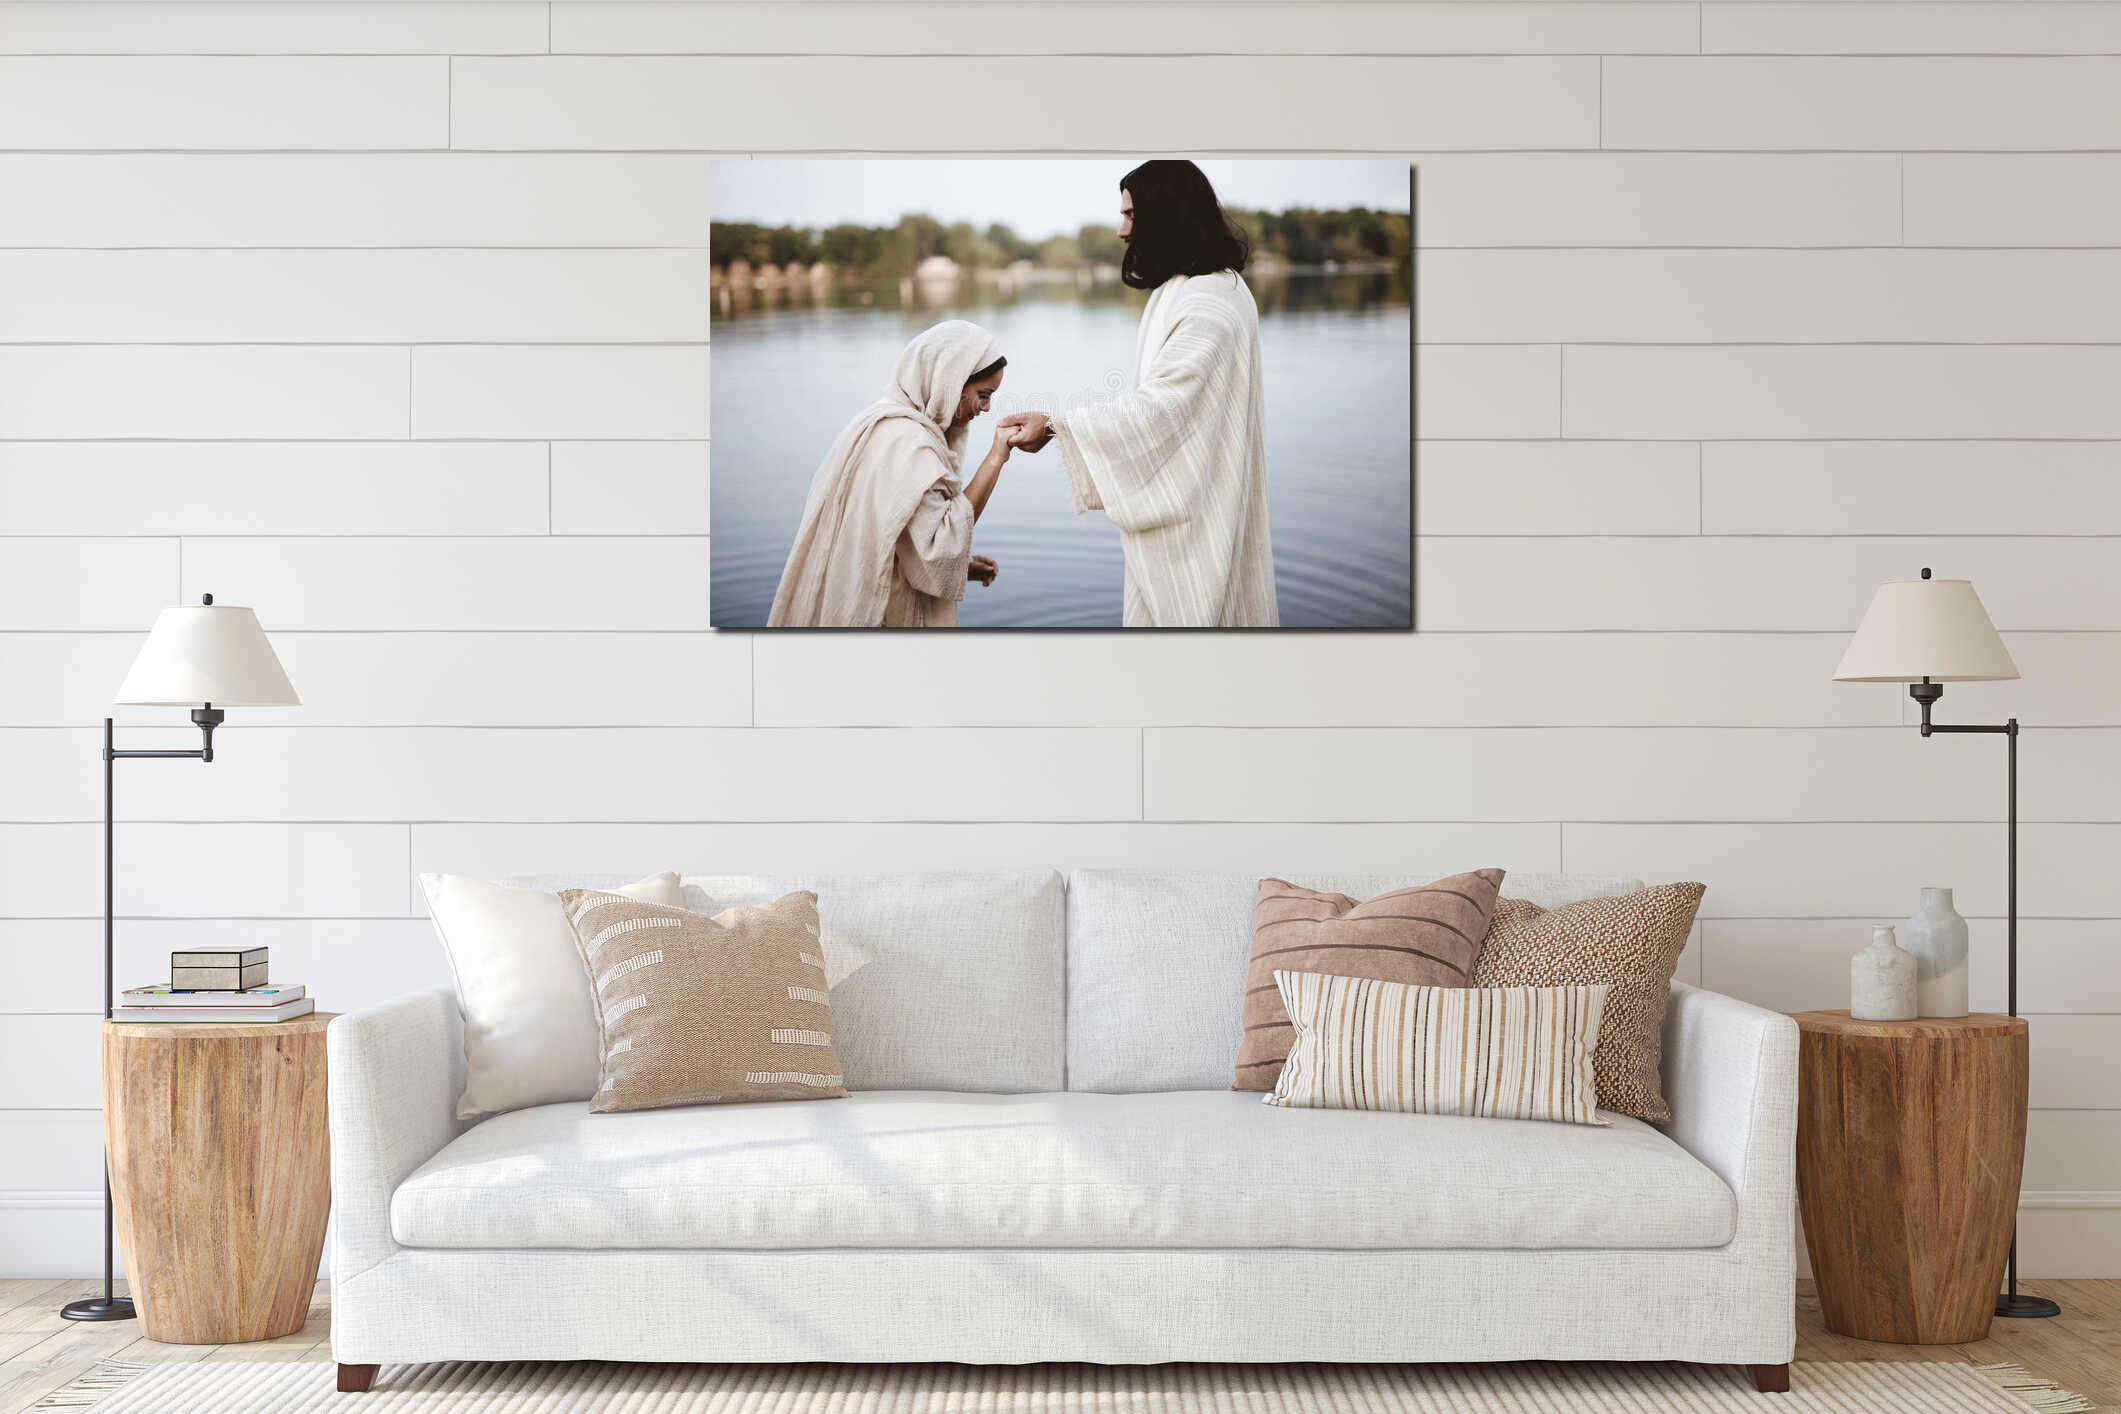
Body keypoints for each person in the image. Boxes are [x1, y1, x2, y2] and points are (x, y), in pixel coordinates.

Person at [1003, 160, 1277, 628]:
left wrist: (1056, 425)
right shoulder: (1193, 290)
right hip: (1200, 508)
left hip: (1202, 524)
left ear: (1167, 215)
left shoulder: (1209, 302)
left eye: (1131, 215)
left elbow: (1161, 411)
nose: (1120, 230)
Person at [769, 319, 1029, 627]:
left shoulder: (878, 421)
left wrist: (963, 568)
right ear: (950, 381)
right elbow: (940, 548)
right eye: (983, 394)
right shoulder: (911, 446)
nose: (986, 408)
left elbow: (893, 535)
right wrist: (997, 456)